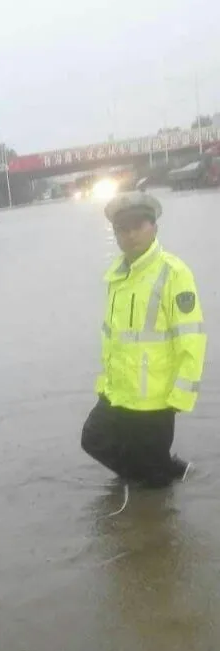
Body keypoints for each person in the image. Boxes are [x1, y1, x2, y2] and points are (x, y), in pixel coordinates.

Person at [81, 190, 206, 491]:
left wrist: (180, 396)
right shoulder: (116, 276)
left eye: (138, 225)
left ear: (154, 228)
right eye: (122, 228)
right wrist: (104, 386)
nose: (130, 234)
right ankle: (163, 470)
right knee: (93, 439)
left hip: (154, 401)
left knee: (154, 490)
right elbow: (113, 339)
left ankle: (154, 515)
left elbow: (191, 340)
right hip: (118, 394)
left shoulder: (173, 273)